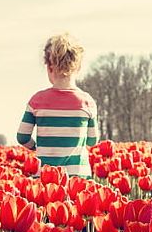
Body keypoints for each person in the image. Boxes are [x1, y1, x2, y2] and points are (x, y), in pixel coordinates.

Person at [17, 33, 99, 177]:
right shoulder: (87, 102)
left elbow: (22, 136)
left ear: (49, 67)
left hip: (45, 175)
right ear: (78, 67)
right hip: (78, 175)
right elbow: (93, 140)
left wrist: (37, 147)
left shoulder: (37, 101)